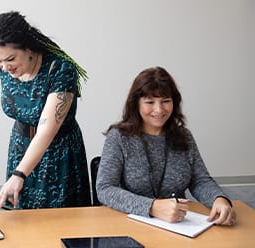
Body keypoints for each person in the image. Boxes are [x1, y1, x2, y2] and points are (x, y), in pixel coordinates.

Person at [96, 66, 236, 225]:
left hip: (178, 225)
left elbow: (200, 180)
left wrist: (219, 199)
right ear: (136, 104)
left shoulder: (184, 137)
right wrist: (152, 207)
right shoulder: (119, 137)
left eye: (166, 101)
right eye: (150, 102)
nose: (159, 109)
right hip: (130, 224)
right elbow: (105, 189)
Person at [0, 11, 91, 209]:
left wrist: (19, 174)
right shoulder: (4, 68)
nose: (5, 68)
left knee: (57, 223)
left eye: (10, 59)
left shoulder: (60, 69)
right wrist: (18, 171)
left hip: (58, 154)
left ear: (28, 47)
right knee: (20, 220)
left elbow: (46, 129)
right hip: (20, 148)